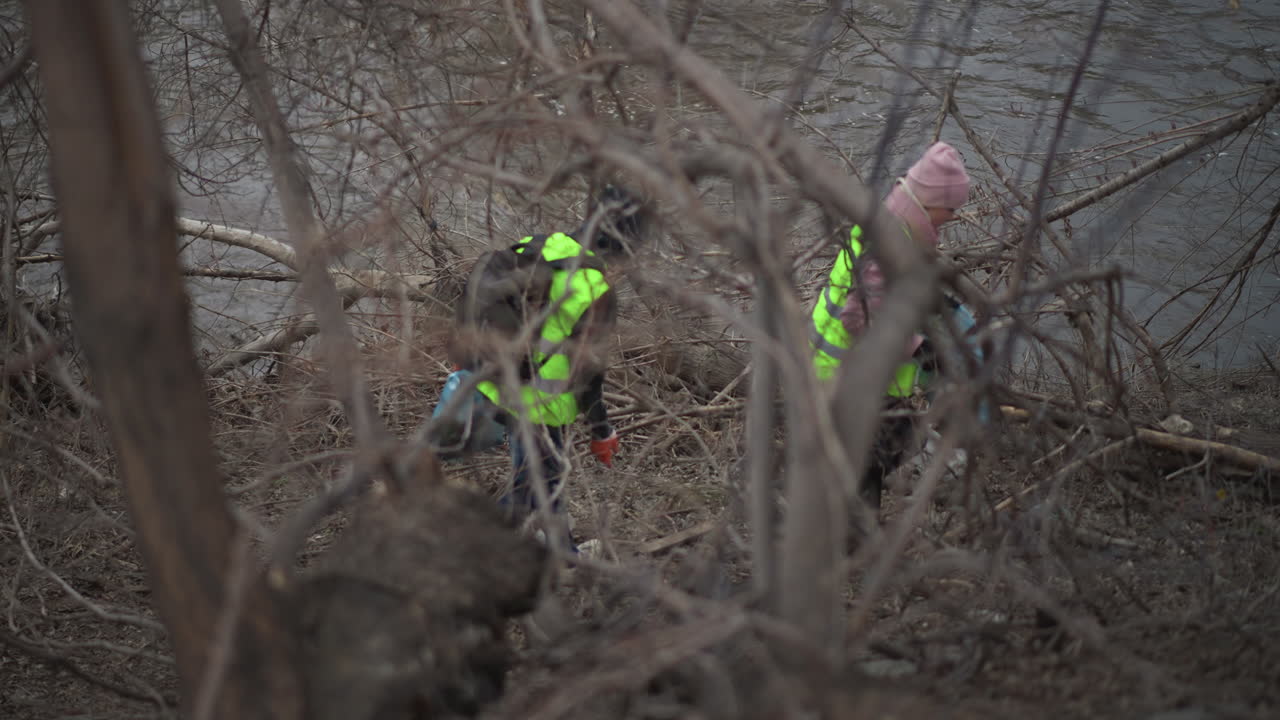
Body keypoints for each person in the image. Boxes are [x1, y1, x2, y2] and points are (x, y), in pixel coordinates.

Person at [429, 186, 648, 543]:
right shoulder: (594, 289)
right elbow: (589, 373)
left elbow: (483, 304)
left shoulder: (537, 245)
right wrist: (602, 430)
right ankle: (472, 546)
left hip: (493, 383)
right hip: (539, 407)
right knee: (533, 493)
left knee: (542, 488)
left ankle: (560, 553)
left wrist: (469, 364)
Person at [809, 141, 981, 510]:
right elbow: (858, 317)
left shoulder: (896, 231)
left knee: (881, 449)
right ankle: (850, 532)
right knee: (882, 449)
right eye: (949, 208)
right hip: (846, 374)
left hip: (860, 374)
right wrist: (920, 349)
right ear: (928, 203)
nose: (952, 217)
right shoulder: (885, 245)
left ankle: (852, 522)